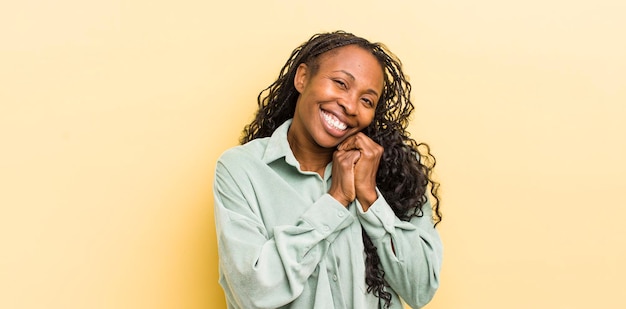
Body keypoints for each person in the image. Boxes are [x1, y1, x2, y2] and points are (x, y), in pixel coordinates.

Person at [213, 31, 443, 309]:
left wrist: (370, 198)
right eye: (340, 83)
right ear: (302, 78)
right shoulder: (242, 170)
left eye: (367, 100)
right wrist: (335, 201)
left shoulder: (396, 174)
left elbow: (421, 289)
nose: (350, 105)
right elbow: (253, 292)